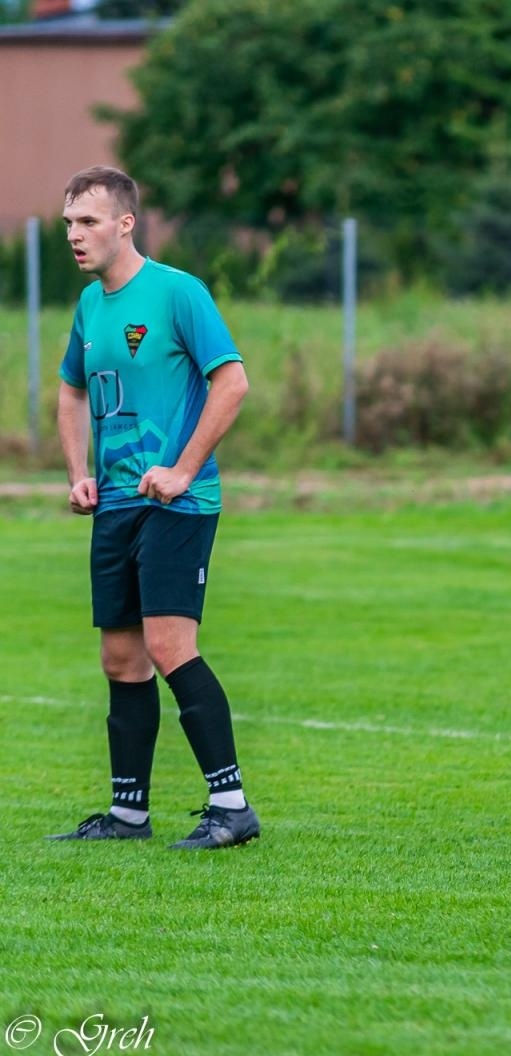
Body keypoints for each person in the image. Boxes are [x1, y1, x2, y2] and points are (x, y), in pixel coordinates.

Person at [50, 165, 258, 849]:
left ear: (126, 224)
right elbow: (74, 392)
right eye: (69, 224)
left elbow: (232, 382)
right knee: (121, 660)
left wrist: (182, 468)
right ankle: (128, 815)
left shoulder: (177, 293)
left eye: (88, 222)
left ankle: (231, 806)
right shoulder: (89, 307)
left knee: (170, 647)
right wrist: (79, 473)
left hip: (178, 501)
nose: (76, 236)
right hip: (113, 505)